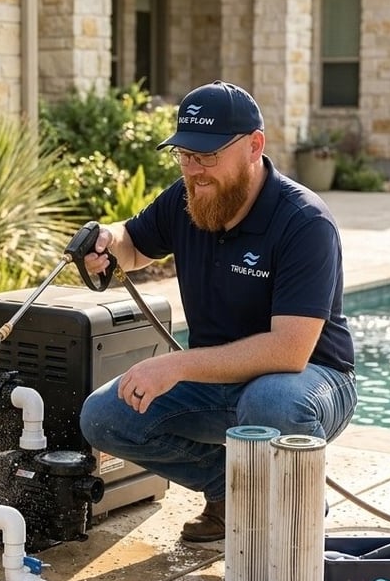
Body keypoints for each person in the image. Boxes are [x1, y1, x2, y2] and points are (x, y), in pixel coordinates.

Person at [79, 80, 358, 543]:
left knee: (268, 402)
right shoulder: (188, 196)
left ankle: (295, 511)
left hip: (312, 381)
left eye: (207, 156)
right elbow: (133, 245)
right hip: (220, 381)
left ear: (254, 146)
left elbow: (290, 350)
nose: (194, 170)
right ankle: (236, 493)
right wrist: (107, 240)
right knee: (105, 416)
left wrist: (176, 365)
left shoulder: (305, 222)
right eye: (184, 154)